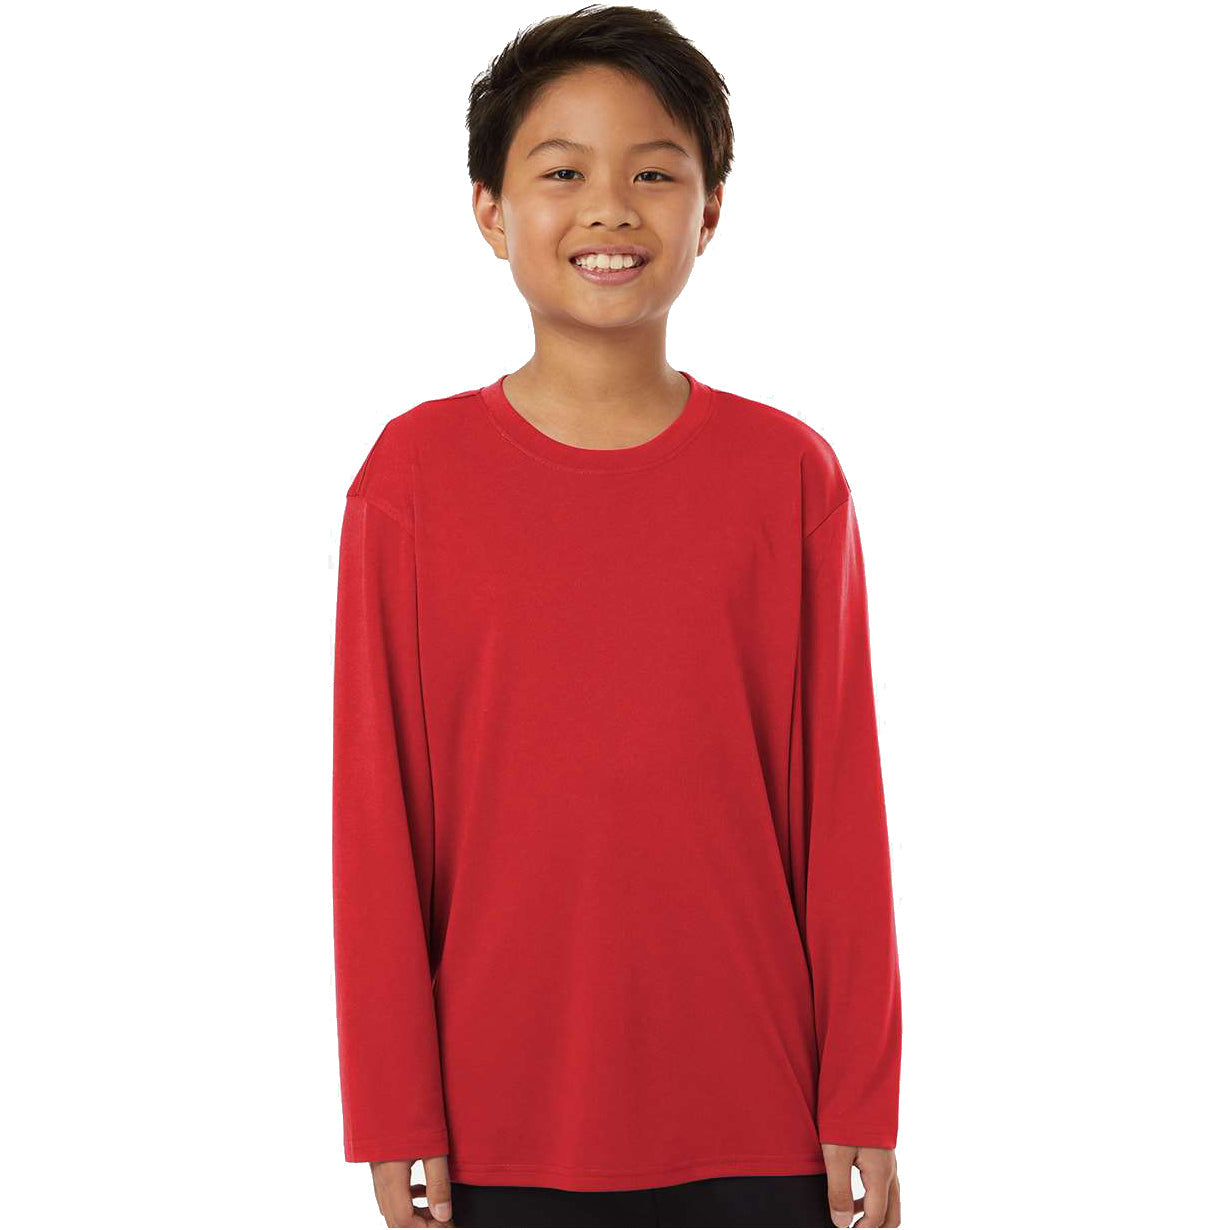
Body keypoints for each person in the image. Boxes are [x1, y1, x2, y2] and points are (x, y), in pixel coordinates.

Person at [331, 5, 903, 1226]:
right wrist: (391, 1105)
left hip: (759, 1110)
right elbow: (378, 820)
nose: (609, 209)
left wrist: (862, 1086)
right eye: (562, 173)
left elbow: (841, 805)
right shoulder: (412, 479)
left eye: (653, 173)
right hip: (497, 1122)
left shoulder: (789, 476)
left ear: (710, 211)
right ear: (490, 211)